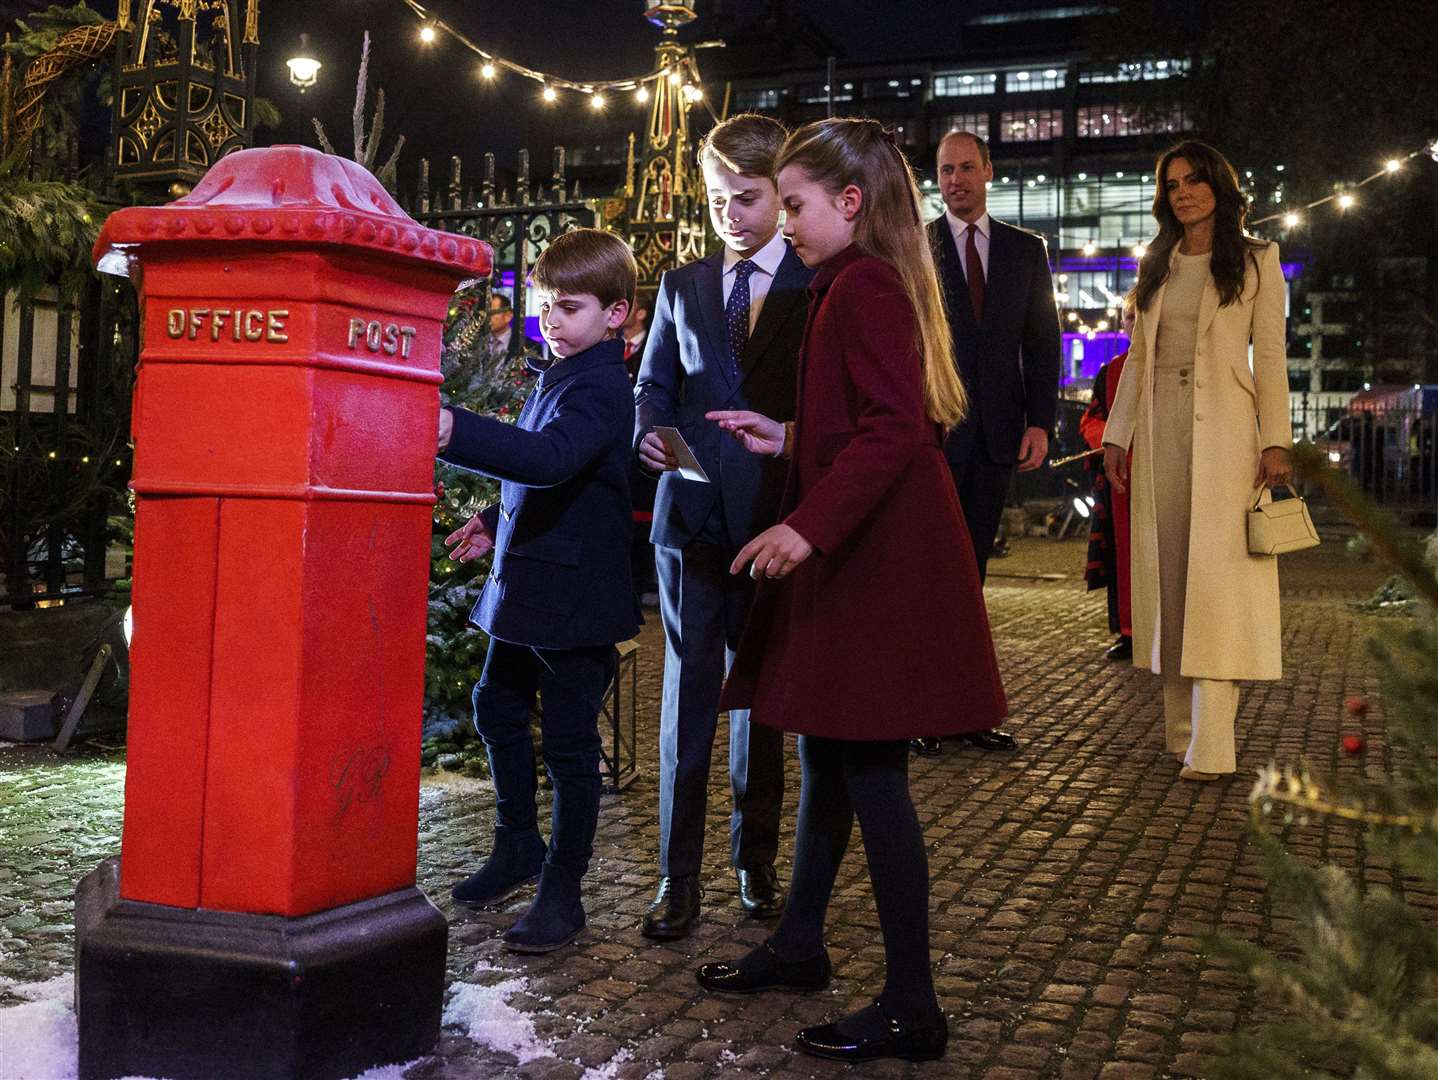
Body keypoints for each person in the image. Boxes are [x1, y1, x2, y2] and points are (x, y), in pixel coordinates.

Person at [698, 118, 1007, 1064]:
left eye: (794, 203)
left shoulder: (864, 285)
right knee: (833, 761)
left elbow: (894, 435)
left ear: (851, 202)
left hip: (873, 565)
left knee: (873, 778)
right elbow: (863, 424)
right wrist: (787, 438)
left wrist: (802, 525)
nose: (783, 219)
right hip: (864, 558)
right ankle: (799, 943)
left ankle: (914, 1004)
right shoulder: (855, 282)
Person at [633, 113, 813, 940]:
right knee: (685, 700)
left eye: (745, 198)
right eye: (715, 199)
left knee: (762, 705)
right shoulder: (682, 285)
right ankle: (677, 878)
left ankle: (755, 862)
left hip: (775, 524)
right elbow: (654, 393)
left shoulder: (818, 287)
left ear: (784, 195)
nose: (729, 214)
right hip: (691, 523)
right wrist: (662, 447)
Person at [436, 228, 641, 951]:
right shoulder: (561, 372)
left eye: (571, 307)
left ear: (616, 314)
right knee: (495, 703)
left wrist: (451, 427)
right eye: (545, 304)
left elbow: (554, 459)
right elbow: (563, 474)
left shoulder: (605, 386)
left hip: (575, 600)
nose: (552, 320)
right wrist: (496, 517)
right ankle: (517, 843)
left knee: (569, 745)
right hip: (531, 586)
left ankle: (564, 887)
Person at [1103, 140, 1292, 782]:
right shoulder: (1158, 263)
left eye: (1193, 180)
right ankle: (1179, 730)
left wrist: (1277, 441)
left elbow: (1268, 357)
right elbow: (1137, 357)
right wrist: (1117, 435)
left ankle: (1213, 744)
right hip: (1160, 429)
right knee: (1171, 576)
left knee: (1218, 583)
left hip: (1230, 436)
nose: (1183, 192)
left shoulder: (1259, 260)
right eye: (1172, 183)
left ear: (1218, 184)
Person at [914, 130, 1061, 756]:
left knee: (971, 577)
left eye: (967, 168)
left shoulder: (1027, 251)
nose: (956, 180)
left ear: (988, 172)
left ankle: (966, 711)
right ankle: (921, 711)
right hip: (934, 434)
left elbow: (1043, 342)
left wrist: (1039, 421)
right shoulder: (916, 247)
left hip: (1001, 433)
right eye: (946, 170)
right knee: (930, 576)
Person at [1080, 298, 1137, 661]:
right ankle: (1129, 633)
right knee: (1122, 555)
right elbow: (1091, 420)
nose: (1133, 322)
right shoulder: (1112, 371)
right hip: (1122, 478)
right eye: (1128, 317)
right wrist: (1114, 440)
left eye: (1138, 315)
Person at [486, 292, 532, 366]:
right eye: (487, 313)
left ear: (508, 315)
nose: (488, 317)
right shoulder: (474, 343)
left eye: (493, 312)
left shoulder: (528, 345)